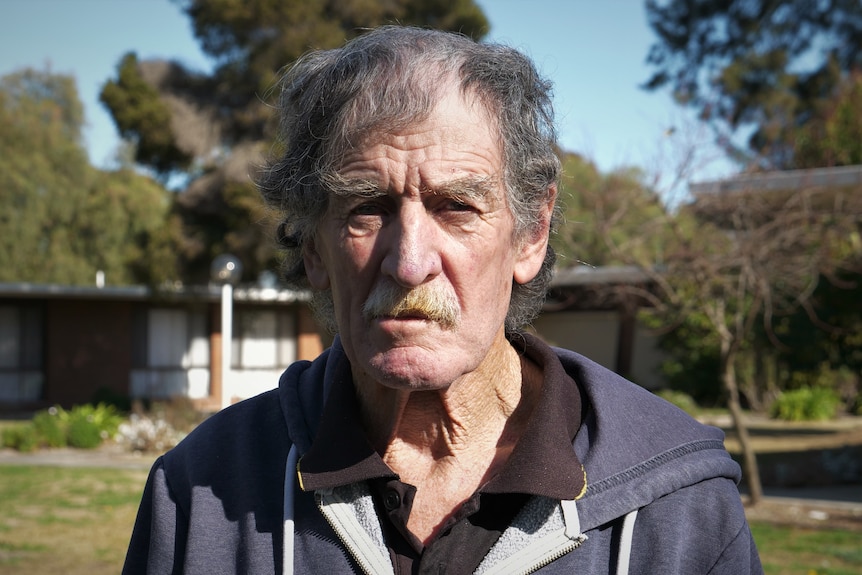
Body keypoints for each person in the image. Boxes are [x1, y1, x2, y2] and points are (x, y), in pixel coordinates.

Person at [123, 26, 762, 574]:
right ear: (313, 248)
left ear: (531, 232)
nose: (408, 262)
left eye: (457, 206)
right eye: (366, 209)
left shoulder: (679, 506)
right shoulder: (199, 495)